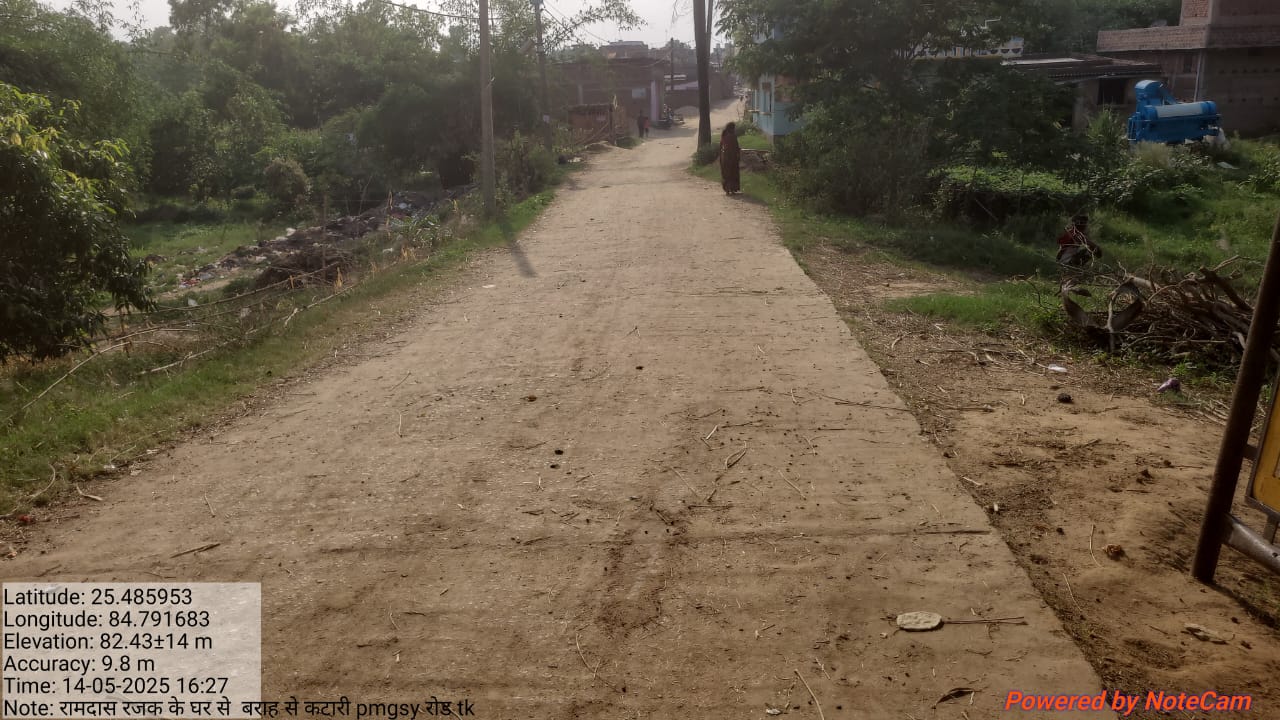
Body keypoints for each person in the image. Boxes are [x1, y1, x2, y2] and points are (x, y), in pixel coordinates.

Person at [720, 122, 741, 195]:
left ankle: (727, 190)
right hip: (732, 157)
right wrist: (738, 154)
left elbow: (721, 146)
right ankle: (732, 189)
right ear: (732, 128)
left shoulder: (723, 135)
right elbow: (736, 146)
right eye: (734, 128)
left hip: (724, 157)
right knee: (733, 172)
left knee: (726, 173)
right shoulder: (733, 136)